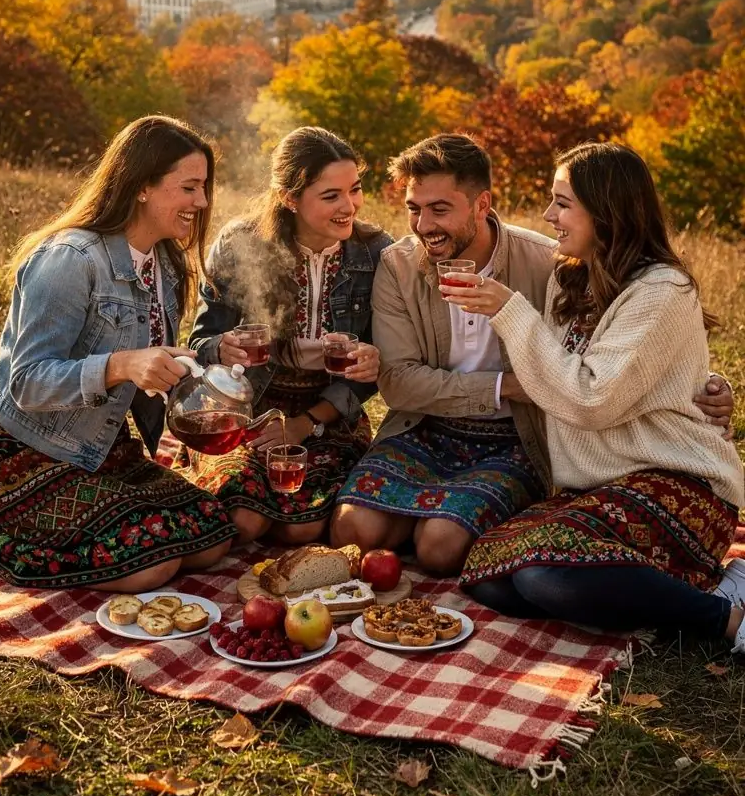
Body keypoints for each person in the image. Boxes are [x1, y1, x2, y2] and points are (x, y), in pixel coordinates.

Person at [331, 133, 733, 577]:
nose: (424, 224)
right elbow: (400, 383)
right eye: (413, 208)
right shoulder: (400, 264)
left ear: (482, 204)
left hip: (517, 435)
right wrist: (506, 386)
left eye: (439, 209)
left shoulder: (549, 262)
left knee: (441, 550)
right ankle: (412, 522)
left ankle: (432, 524)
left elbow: (621, 354)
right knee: (353, 533)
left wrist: (706, 383)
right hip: (425, 427)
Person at [454, 142, 745, 653]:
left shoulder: (663, 289)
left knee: (547, 576)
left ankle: (727, 618)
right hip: (594, 485)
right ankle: (664, 588)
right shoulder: (570, 278)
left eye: (562, 202)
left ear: (607, 211)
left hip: (676, 479)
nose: (549, 215)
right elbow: (576, 373)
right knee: (491, 572)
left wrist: (510, 311)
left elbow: (591, 397)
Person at [0, 116, 234, 589]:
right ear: (142, 187)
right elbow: (26, 381)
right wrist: (119, 366)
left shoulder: (166, 262)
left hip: (97, 446)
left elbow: (155, 358)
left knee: (213, 533)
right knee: (149, 562)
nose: (203, 202)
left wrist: (210, 366)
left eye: (204, 188)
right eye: (189, 187)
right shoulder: (70, 260)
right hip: (20, 452)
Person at [189, 126, 389, 546]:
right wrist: (222, 349)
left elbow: (372, 369)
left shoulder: (375, 253)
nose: (349, 206)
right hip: (250, 410)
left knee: (304, 525)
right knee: (244, 521)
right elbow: (199, 345)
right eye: (330, 195)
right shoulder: (241, 244)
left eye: (354, 189)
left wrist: (306, 423)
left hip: (328, 415)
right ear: (289, 198)